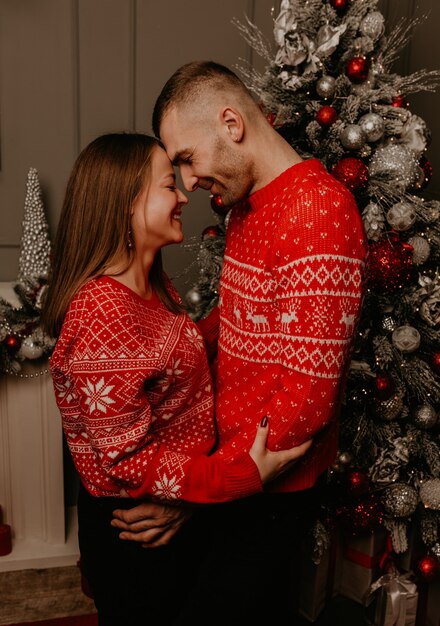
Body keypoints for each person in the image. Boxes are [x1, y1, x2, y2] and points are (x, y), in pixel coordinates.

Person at [111, 61, 368, 625]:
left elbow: (304, 408)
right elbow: (242, 319)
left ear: (231, 123)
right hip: (231, 474)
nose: (186, 182)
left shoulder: (318, 211)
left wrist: (192, 496)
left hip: (268, 493)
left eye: (185, 158)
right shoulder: (247, 207)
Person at [41, 132, 311, 626]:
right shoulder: (103, 314)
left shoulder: (149, 284)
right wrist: (242, 477)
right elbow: (129, 459)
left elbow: (176, 355)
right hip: (139, 535)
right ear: (126, 205)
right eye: (169, 185)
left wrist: (255, 309)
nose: (185, 195)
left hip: (178, 508)